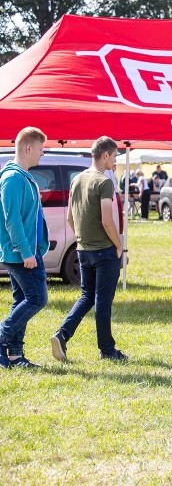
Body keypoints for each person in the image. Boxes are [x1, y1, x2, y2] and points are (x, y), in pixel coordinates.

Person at [50, 136, 127, 363]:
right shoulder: (104, 182)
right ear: (105, 155)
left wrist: (83, 239)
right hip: (104, 251)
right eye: (114, 157)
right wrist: (119, 245)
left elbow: (69, 218)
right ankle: (107, 350)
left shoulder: (77, 180)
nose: (114, 162)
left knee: (86, 297)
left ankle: (61, 335)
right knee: (103, 302)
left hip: (83, 249)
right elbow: (107, 220)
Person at [0, 127, 49, 369]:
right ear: (28, 148)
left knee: (22, 299)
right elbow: (12, 220)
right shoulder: (12, 178)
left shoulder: (24, 177)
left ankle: (15, 356)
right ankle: (2, 337)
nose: (43, 153)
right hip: (21, 254)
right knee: (37, 298)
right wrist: (27, 252)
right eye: (41, 149)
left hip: (29, 251)